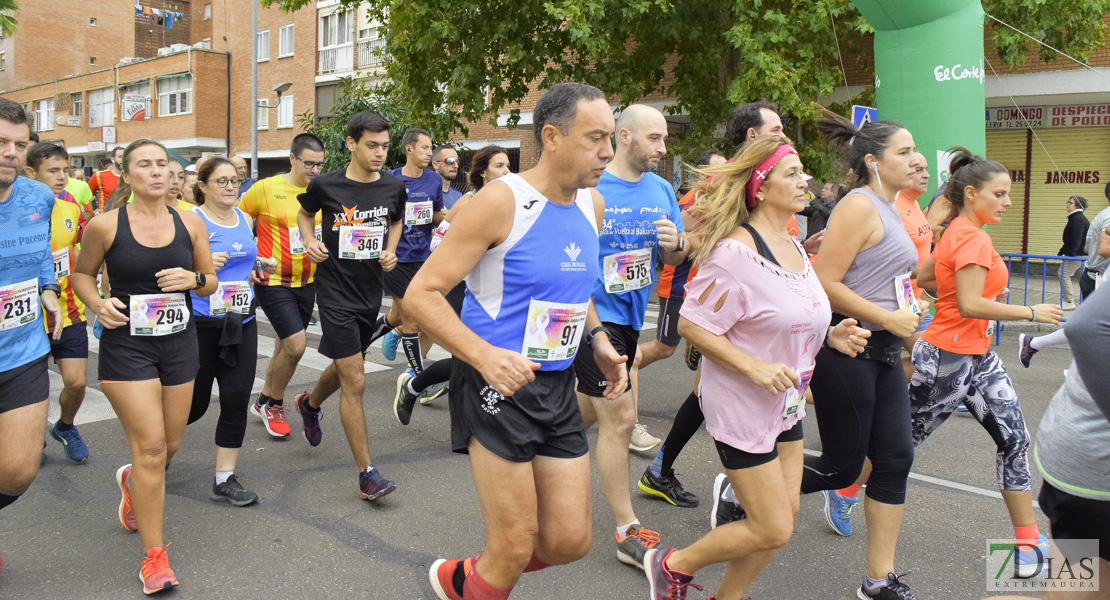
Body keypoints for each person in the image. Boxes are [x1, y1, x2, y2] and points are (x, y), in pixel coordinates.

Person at [407, 81, 627, 600]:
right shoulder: (500, 202)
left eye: (611, 138)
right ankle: (487, 578)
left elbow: (572, 287)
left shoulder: (593, 205)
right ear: (551, 136)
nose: (608, 152)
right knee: (512, 545)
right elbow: (423, 294)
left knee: (569, 541)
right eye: (596, 138)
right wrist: (483, 356)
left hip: (556, 384)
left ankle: (468, 579)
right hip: (494, 387)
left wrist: (595, 336)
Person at [643, 137, 870, 600]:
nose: (805, 180)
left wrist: (831, 335)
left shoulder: (793, 244)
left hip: (783, 405)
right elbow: (691, 323)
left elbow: (789, 314)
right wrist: (753, 367)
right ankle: (671, 564)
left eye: (803, 171)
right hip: (743, 406)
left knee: (778, 525)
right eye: (792, 173)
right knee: (772, 526)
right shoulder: (734, 253)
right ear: (761, 189)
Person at [71, 137, 217, 594]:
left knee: (170, 445)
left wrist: (193, 279)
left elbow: (210, 281)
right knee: (152, 447)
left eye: (162, 165)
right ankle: (155, 559)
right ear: (127, 175)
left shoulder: (191, 222)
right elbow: (80, 275)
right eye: (145, 165)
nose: (156, 172)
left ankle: (132, 482)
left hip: (179, 344)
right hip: (127, 347)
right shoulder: (105, 224)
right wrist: (97, 303)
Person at [909, 148, 1063, 577]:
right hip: (946, 359)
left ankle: (1028, 545)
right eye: (1000, 193)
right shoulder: (971, 236)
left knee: (1015, 441)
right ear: (972, 193)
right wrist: (1031, 312)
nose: (1008, 202)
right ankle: (840, 487)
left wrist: (969, 302)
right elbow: (971, 303)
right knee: (899, 447)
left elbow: (926, 279)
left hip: (977, 356)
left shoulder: (959, 230)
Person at [801, 109, 922, 600]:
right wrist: (888, 316)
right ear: (874, 161)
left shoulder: (891, 207)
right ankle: (742, 489)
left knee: (894, 459)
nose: (916, 159)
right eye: (906, 151)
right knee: (842, 467)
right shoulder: (857, 205)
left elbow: (882, 275)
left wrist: (906, 307)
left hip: (886, 350)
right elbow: (825, 284)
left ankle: (878, 580)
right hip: (849, 345)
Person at [572, 104, 691, 569]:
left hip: (630, 318)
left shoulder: (663, 190)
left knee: (580, 412)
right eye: (655, 139)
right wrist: (593, 325)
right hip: (592, 317)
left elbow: (678, 258)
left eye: (664, 139)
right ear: (624, 137)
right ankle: (626, 531)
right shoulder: (594, 187)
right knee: (620, 420)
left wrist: (673, 246)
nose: (663, 149)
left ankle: (532, 450)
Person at [292, 110, 405, 502]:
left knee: (346, 364)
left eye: (385, 145)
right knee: (355, 379)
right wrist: (309, 241)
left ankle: (309, 403)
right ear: (352, 144)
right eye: (371, 145)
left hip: (369, 292)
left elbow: (396, 221)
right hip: (335, 291)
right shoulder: (326, 184)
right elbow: (304, 214)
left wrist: (390, 251)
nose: (379, 153)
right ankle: (367, 474)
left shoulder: (393, 186)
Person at [391, 144, 512, 420]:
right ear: (482, 173)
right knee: (471, 354)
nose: (507, 171)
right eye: (499, 166)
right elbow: (437, 241)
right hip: (464, 288)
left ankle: (415, 386)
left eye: (507, 165)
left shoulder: (511, 203)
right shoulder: (468, 202)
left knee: (479, 356)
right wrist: (470, 251)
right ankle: (417, 386)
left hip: (497, 290)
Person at [186, 157, 277, 507]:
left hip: (240, 320)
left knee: (237, 397)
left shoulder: (245, 218)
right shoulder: (190, 220)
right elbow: (178, 266)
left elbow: (242, 255)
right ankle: (154, 458)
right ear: (203, 186)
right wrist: (202, 262)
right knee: (191, 406)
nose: (229, 187)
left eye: (234, 181)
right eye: (221, 181)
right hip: (201, 322)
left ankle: (224, 478)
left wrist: (257, 265)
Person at [0, 100, 65, 575]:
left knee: (20, 470)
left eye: (20, 145)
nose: (11, 153)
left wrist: (48, 290)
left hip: (22, 347)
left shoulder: (38, 197)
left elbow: (42, 249)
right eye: (2, 143)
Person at [239, 133, 326, 437]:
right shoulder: (265, 189)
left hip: (308, 281)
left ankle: (263, 398)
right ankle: (273, 404)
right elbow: (236, 222)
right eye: (309, 164)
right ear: (292, 159)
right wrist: (249, 261)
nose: (314, 170)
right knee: (296, 345)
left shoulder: (322, 191)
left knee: (284, 344)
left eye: (319, 165)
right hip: (273, 281)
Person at [25, 142, 91, 464]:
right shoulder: (13, 212)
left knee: (77, 383)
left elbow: (74, 254)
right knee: (32, 392)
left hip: (68, 310)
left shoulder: (71, 209)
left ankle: (65, 426)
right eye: (53, 171)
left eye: (65, 170)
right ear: (30, 173)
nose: (62, 177)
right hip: (26, 317)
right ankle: (31, 435)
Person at [375, 128, 444, 377]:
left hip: (422, 257)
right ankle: (415, 378)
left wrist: (443, 218)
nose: (429, 152)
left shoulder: (434, 180)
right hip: (395, 259)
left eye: (430, 147)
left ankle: (362, 343)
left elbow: (436, 215)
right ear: (409, 149)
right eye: (425, 147)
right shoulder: (389, 179)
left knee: (396, 316)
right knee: (414, 322)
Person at [1058, 195, 1090, 309]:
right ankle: (1090, 299)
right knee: (1082, 278)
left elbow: (1076, 238)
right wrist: (1062, 251)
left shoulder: (1078, 219)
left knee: (1063, 274)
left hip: (1077, 254)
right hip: (1080, 254)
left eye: (1070, 202)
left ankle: (1068, 301)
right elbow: (1071, 239)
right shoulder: (1076, 218)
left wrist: (1071, 255)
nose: (1067, 204)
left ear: (1077, 205)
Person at [89, 145, 124, 212]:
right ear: (112, 159)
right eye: (120, 157)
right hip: (106, 217)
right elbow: (87, 196)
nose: (123, 159)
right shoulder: (99, 175)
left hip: (126, 217)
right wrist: (94, 211)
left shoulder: (132, 177)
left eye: (125, 157)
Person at [432, 144, 463, 210]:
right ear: (436, 165)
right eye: (450, 161)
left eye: (457, 160)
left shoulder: (458, 196)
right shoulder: (425, 193)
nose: (456, 166)